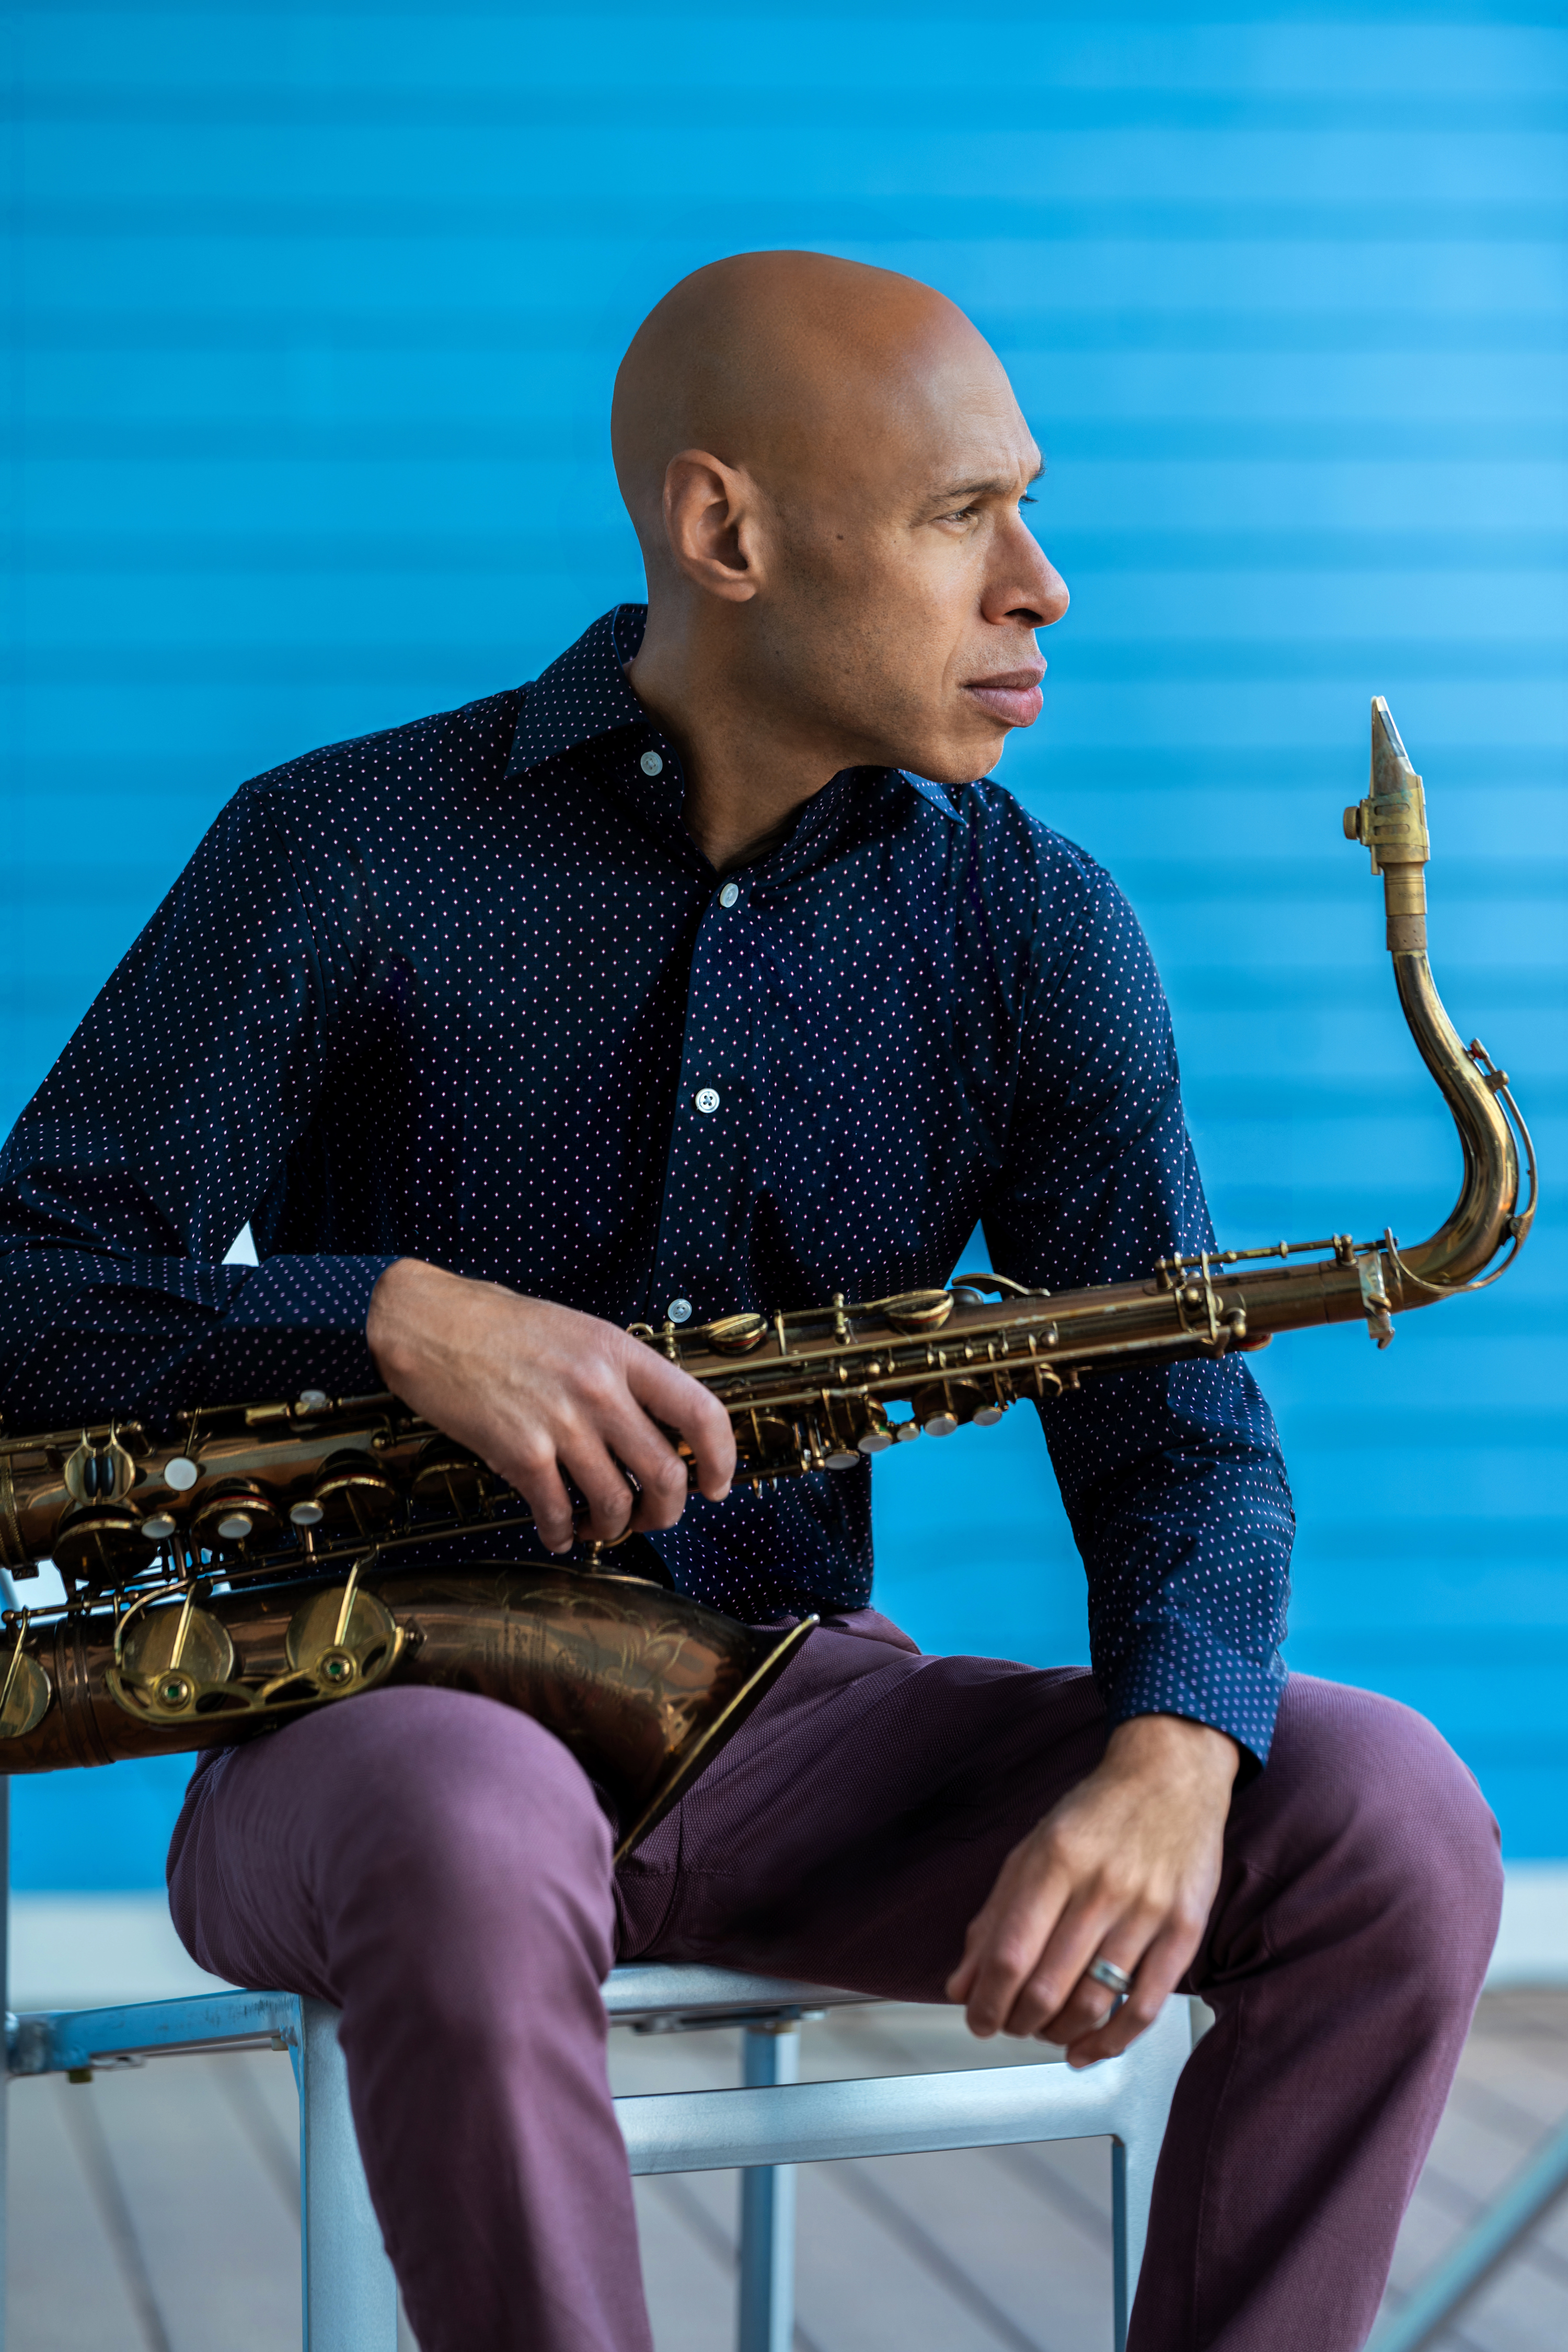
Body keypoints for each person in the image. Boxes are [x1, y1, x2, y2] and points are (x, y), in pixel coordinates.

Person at [0, 252, 1500, 2352]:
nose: (1043, 586)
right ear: (725, 529)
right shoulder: (341, 845)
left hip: (786, 1720)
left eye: (1030, 506)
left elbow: (1185, 1452)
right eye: (962, 516)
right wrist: (394, 1313)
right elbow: (32, 1285)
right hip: (373, 1727)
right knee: (465, 1817)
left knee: (1390, 1812)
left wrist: (1179, 1745)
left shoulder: (1035, 928)